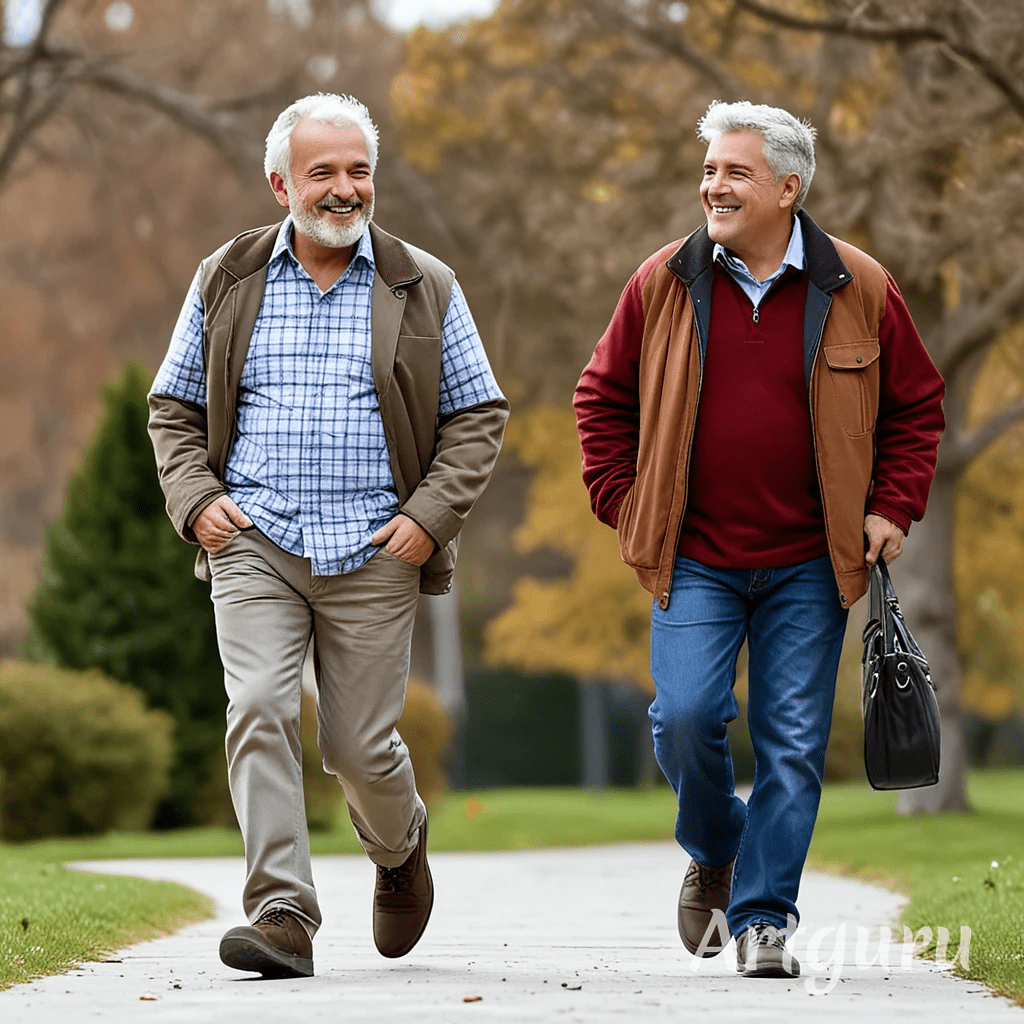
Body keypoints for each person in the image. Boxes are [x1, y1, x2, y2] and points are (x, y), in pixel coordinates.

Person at [573, 100, 944, 978]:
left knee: (791, 745)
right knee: (687, 719)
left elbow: (916, 407)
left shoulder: (861, 285)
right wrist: (626, 505)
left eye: (733, 172)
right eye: (708, 171)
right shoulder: (662, 282)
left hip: (812, 564)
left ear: (788, 186)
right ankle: (717, 846)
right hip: (695, 557)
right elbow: (599, 399)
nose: (713, 186)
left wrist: (892, 505)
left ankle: (764, 917)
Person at [149, 93, 508, 979]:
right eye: (324, 174)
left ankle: (399, 846)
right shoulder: (225, 279)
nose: (345, 190)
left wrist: (427, 521)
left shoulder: (426, 282)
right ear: (281, 185)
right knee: (260, 708)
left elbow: (479, 414)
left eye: (358, 172)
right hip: (255, 539)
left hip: (374, 550)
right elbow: (174, 407)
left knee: (356, 747)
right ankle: (282, 913)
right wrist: (197, 500)